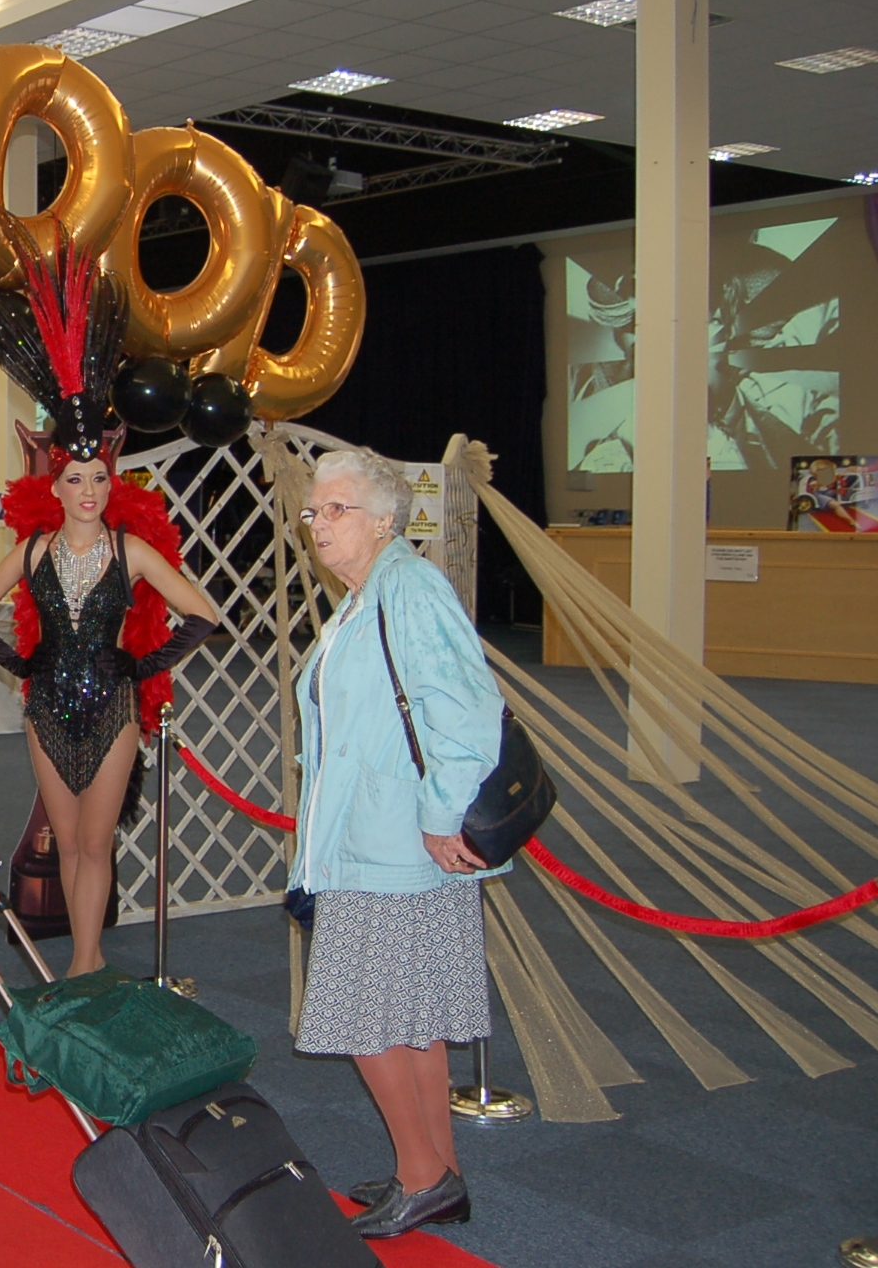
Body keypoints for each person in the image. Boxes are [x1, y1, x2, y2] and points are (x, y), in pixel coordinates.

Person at [0, 246, 219, 978]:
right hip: (45, 707)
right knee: (68, 841)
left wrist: (141, 664)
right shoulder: (32, 551)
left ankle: (87, 961)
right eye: (75, 479)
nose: (88, 490)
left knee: (97, 842)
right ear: (55, 484)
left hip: (114, 706)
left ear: (112, 483)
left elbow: (203, 614)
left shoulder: (130, 550)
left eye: (98, 479)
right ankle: (83, 959)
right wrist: (19, 662)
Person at [288, 446, 503, 1239]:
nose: (318, 523)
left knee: (366, 1017)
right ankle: (436, 1171)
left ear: (385, 519)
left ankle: (422, 1175)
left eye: (336, 508)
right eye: (313, 510)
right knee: (411, 1017)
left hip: (394, 841)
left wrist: (442, 814)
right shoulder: (367, 595)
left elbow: (469, 711)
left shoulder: (407, 586)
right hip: (376, 835)